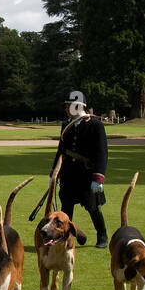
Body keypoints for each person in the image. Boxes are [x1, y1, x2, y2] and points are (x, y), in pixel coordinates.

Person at [50, 96, 109, 248]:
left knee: (93, 208)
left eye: (68, 106)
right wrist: (54, 174)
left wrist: (98, 178)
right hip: (68, 174)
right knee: (66, 209)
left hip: (87, 175)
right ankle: (65, 238)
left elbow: (102, 153)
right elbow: (61, 151)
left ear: (77, 107)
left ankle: (102, 235)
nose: (66, 109)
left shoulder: (95, 125)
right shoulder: (66, 125)